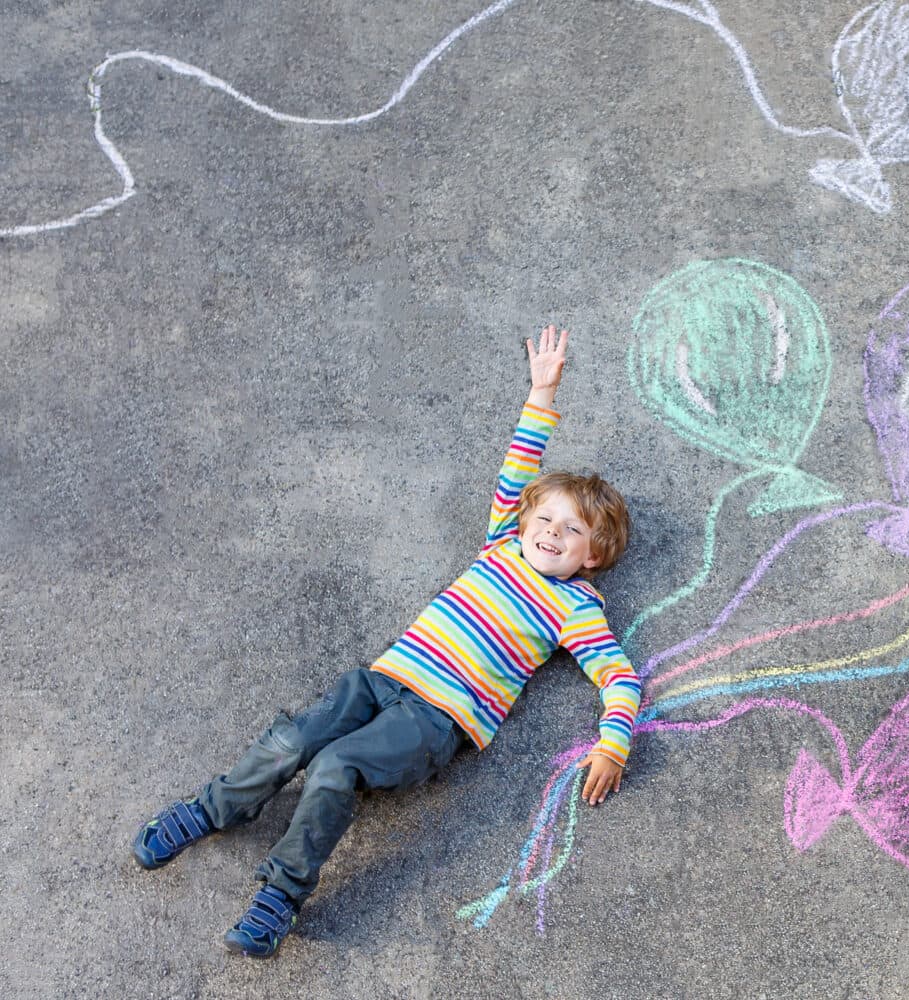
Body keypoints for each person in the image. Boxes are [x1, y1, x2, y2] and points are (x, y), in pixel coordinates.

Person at [131, 326, 640, 958]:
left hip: (437, 719)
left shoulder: (576, 608)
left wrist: (613, 747)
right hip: (382, 679)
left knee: (335, 768)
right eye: (545, 518)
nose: (551, 533)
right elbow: (520, 465)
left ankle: (281, 895)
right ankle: (213, 809)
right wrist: (542, 392)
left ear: (595, 556)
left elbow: (620, 677)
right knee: (294, 738)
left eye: (573, 531)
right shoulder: (501, 543)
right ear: (522, 520)